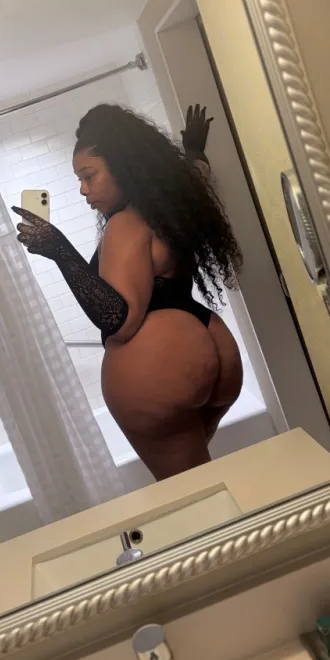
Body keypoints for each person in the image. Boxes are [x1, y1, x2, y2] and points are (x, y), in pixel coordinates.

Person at [13, 104, 243, 481]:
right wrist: (194, 151)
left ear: (124, 166)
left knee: (193, 492)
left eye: (89, 176)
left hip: (159, 369)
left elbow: (119, 321)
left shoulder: (126, 224)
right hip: (212, 347)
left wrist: (59, 249)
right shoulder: (175, 202)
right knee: (201, 482)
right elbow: (196, 172)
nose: (83, 190)